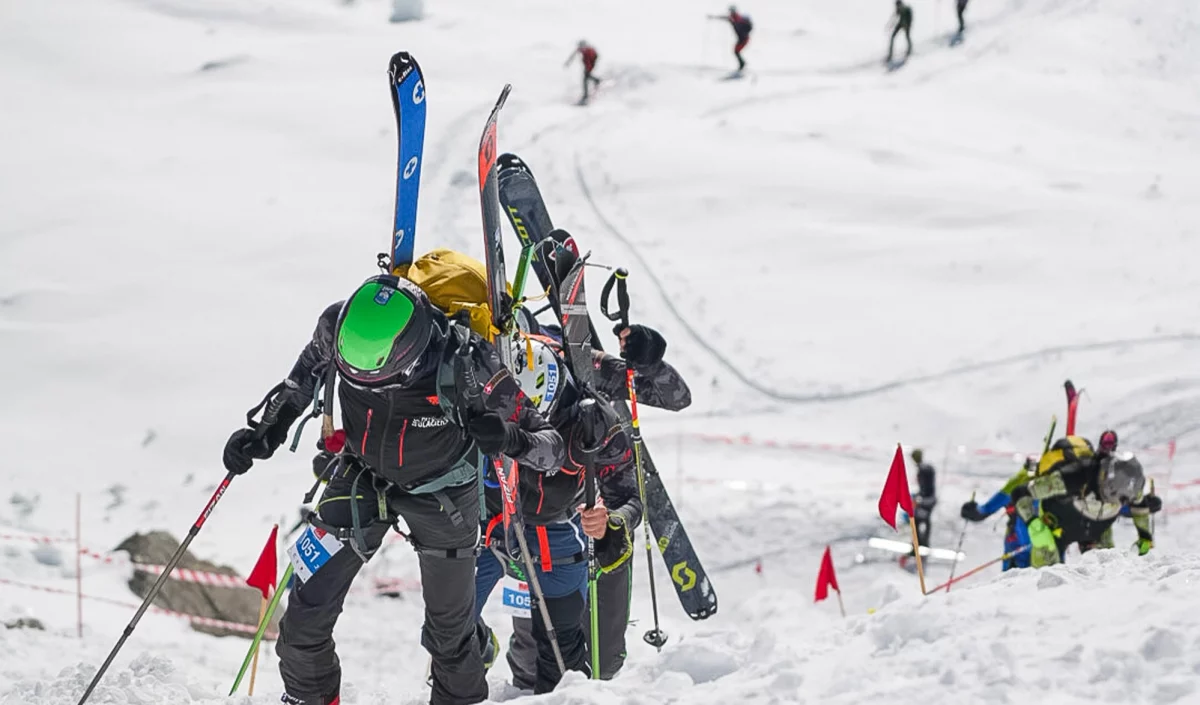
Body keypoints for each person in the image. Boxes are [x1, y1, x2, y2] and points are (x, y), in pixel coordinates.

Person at [222, 274, 565, 705]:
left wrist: (509, 438)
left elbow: (551, 447)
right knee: (305, 615)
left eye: (379, 379)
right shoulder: (335, 328)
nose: (367, 383)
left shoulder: (467, 361)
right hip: (361, 475)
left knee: (449, 639)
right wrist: (263, 435)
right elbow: (298, 387)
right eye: (356, 379)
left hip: (444, 494)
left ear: (411, 354)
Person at [503, 323, 692, 688]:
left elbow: (675, 397)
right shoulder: (487, 374)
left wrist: (650, 364)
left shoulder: (581, 370)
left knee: (598, 661)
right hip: (513, 519)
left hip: (576, 524)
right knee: (530, 655)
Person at [709, 5, 753, 73]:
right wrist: (714, 17)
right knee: (736, 51)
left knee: (736, 51)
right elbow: (725, 18)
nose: (730, 13)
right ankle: (742, 64)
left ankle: (742, 64)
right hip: (742, 38)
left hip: (744, 39)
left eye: (731, 11)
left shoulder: (738, 18)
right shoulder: (733, 18)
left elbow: (738, 22)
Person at [910, 448, 936, 548]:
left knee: (918, 519)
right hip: (930, 498)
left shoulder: (922, 470)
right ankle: (922, 541)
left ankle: (920, 542)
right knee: (924, 519)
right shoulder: (927, 468)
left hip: (927, 499)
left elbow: (924, 488)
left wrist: (918, 499)